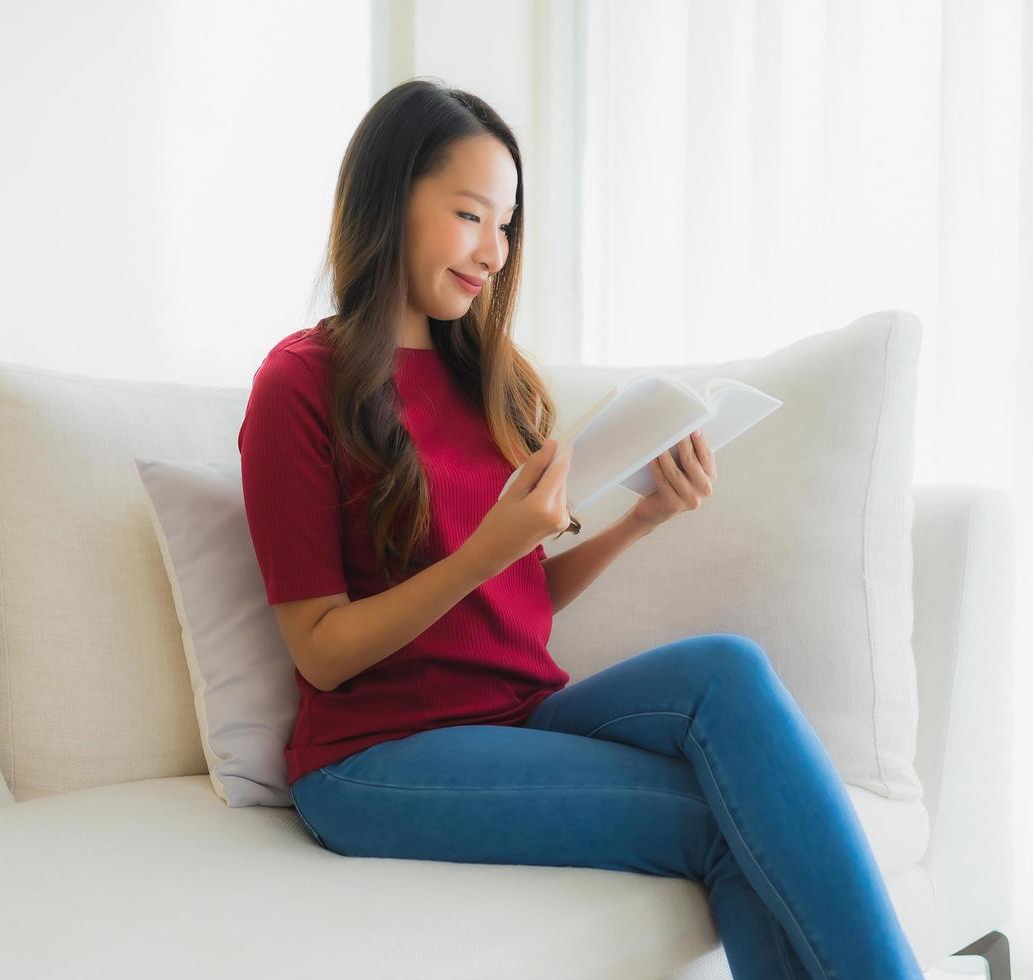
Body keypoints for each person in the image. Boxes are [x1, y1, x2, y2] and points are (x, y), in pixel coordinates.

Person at [237, 78, 923, 980]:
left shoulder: (487, 378)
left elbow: (518, 598)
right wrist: (488, 545)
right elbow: (322, 652)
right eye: (470, 215)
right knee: (732, 821)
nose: (494, 250)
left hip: (519, 716)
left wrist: (641, 519)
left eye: (508, 223)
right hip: (372, 760)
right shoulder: (300, 384)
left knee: (725, 668)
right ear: (391, 197)